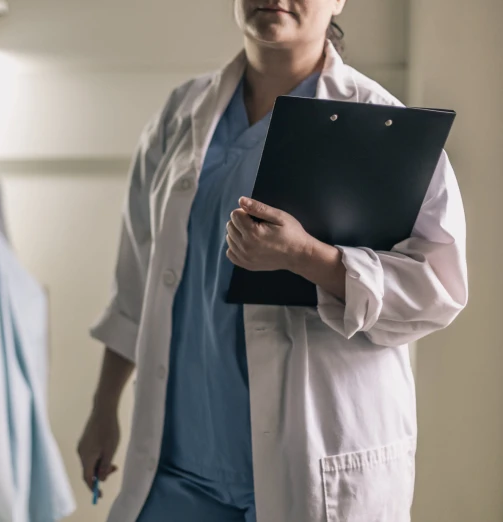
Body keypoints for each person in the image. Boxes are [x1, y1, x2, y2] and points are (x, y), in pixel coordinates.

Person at [77, 0, 468, 521]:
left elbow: (438, 291)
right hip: (179, 468)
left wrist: (311, 258)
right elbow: (136, 282)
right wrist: (104, 409)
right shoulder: (180, 115)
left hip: (310, 463)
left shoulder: (383, 122)